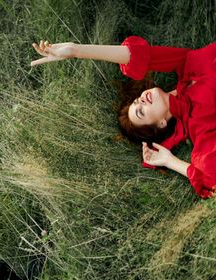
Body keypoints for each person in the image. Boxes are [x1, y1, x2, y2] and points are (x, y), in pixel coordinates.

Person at [31, 37, 216, 198]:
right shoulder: (199, 123)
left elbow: (138, 56)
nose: (142, 100)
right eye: (141, 111)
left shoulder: (183, 64)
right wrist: (169, 161)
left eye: (137, 101)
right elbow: (210, 176)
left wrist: (76, 50)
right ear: (161, 124)